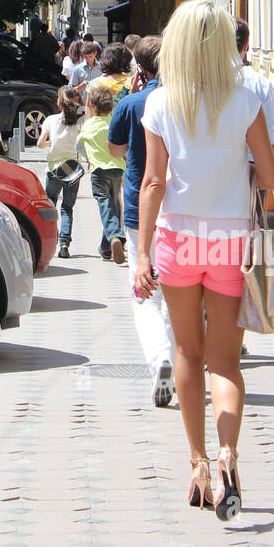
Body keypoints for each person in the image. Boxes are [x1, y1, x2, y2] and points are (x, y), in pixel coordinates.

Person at [135, 1, 274, 522]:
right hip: (230, 241)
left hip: (178, 239)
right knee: (227, 361)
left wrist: (142, 253)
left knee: (187, 356)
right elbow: (267, 174)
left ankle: (197, 465)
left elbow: (153, 181)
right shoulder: (247, 99)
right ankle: (228, 455)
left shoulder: (161, 102)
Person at [107, 35, 176, 407]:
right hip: (180, 208)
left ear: (140, 69)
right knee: (173, 296)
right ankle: (176, 364)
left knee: (145, 296)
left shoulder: (131, 103)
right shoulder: (184, 101)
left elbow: (115, 148)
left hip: (138, 209)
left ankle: (159, 359)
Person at [233, 17, 274, 218]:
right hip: (253, 178)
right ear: (246, 45)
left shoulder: (204, 80)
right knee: (251, 237)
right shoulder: (260, 84)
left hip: (214, 179)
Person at [77, 83, 127, 264]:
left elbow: (79, 145)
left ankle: (115, 236)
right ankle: (106, 248)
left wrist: (88, 157)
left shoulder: (89, 125)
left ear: (92, 106)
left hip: (98, 171)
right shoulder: (114, 122)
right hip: (117, 169)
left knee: (105, 205)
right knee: (114, 204)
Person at [37, 86, 85, 258]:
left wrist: (53, 144)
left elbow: (40, 143)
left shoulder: (51, 120)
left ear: (58, 102)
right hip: (72, 169)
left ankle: (48, 240)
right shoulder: (81, 120)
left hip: (53, 169)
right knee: (67, 207)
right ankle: (64, 244)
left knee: (50, 203)